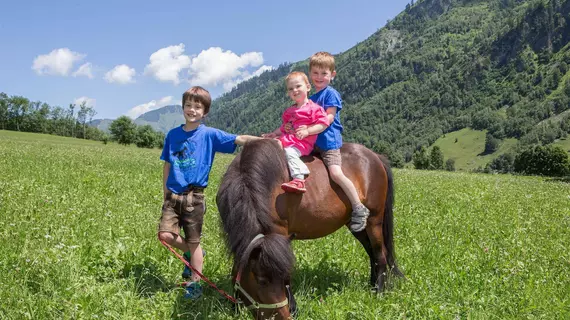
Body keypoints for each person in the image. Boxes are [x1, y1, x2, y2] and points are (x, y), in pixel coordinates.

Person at [158, 86, 260, 299]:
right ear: (183, 107)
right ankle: (194, 254)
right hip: (173, 194)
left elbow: (238, 139)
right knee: (165, 235)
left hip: (195, 196)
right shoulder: (173, 135)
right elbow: (167, 163)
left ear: (204, 112)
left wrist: (263, 140)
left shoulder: (209, 134)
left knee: (194, 241)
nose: (192, 110)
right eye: (188, 105)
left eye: (197, 107)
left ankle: (195, 284)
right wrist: (165, 190)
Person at [307, 51, 370, 232]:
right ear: (310, 74)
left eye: (324, 73)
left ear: (332, 75)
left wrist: (312, 128)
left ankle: (358, 207)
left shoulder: (330, 94)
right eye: (315, 73)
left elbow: (328, 118)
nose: (319, 77)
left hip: (328, 144)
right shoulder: (311, 99)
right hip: (312, 144)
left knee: (335, 173)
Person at [262, 71, 329, 193]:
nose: (295, 90)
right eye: (290, 89)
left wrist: (308, 131)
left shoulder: (314, 108)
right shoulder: (290, 111)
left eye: (298, 86)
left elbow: (323, 124)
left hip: (302, 143)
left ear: (308, 87)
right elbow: (283, 127)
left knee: (289, 153)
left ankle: (299, 179)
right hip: (288, 139)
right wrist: (274, 134)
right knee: (270, 146)